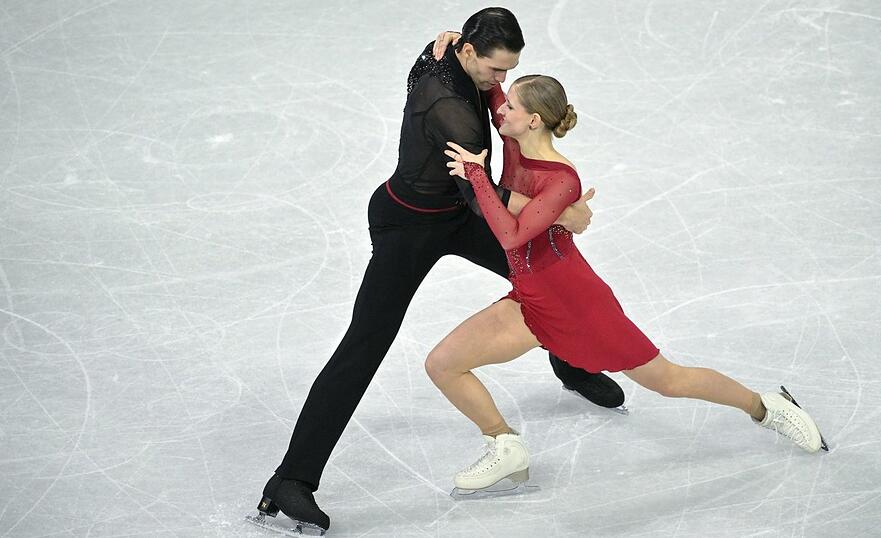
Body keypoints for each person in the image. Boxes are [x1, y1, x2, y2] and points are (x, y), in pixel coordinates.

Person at [250, 8, 626, 535]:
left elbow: (420, 74)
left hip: (456, 214)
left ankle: (571, 364)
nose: (503, 85)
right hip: (410, 225)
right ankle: (291, 480)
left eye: (510, 72)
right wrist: (560, 211)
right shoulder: (454, 110)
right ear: (470, 53)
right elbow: (479, 195)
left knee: (546, 279)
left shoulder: (450, 53)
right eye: (496, 72)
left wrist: (440, 43)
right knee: (366, 342)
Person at [427, 74, 829, 494]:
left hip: (575, 301)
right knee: (443, 363)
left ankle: (766, 408)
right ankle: (504, 445)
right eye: (505, 104)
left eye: (511, 106)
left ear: (533, 120)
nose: (501, 111)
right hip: (530, 297)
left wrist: (476, 175)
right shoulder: (514, 142)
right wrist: (459, 48)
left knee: (668, 380)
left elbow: (511, 236)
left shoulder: (563, 179)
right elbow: (491, 90)